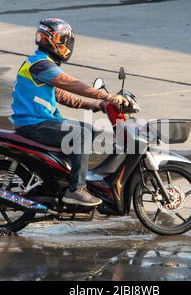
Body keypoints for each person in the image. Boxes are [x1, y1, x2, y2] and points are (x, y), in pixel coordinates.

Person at [11, 18, 128, 207]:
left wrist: (96, 105)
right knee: (82, 132)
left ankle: (62, 181)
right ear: (52, 40)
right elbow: (70, 84)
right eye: (62, 39)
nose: (66, 44)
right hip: (34, 125)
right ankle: (76, 189)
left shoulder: (39, 64)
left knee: (88, 130)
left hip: (37, 122)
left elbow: (64, 96)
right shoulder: (41, 64)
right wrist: (107, 96)